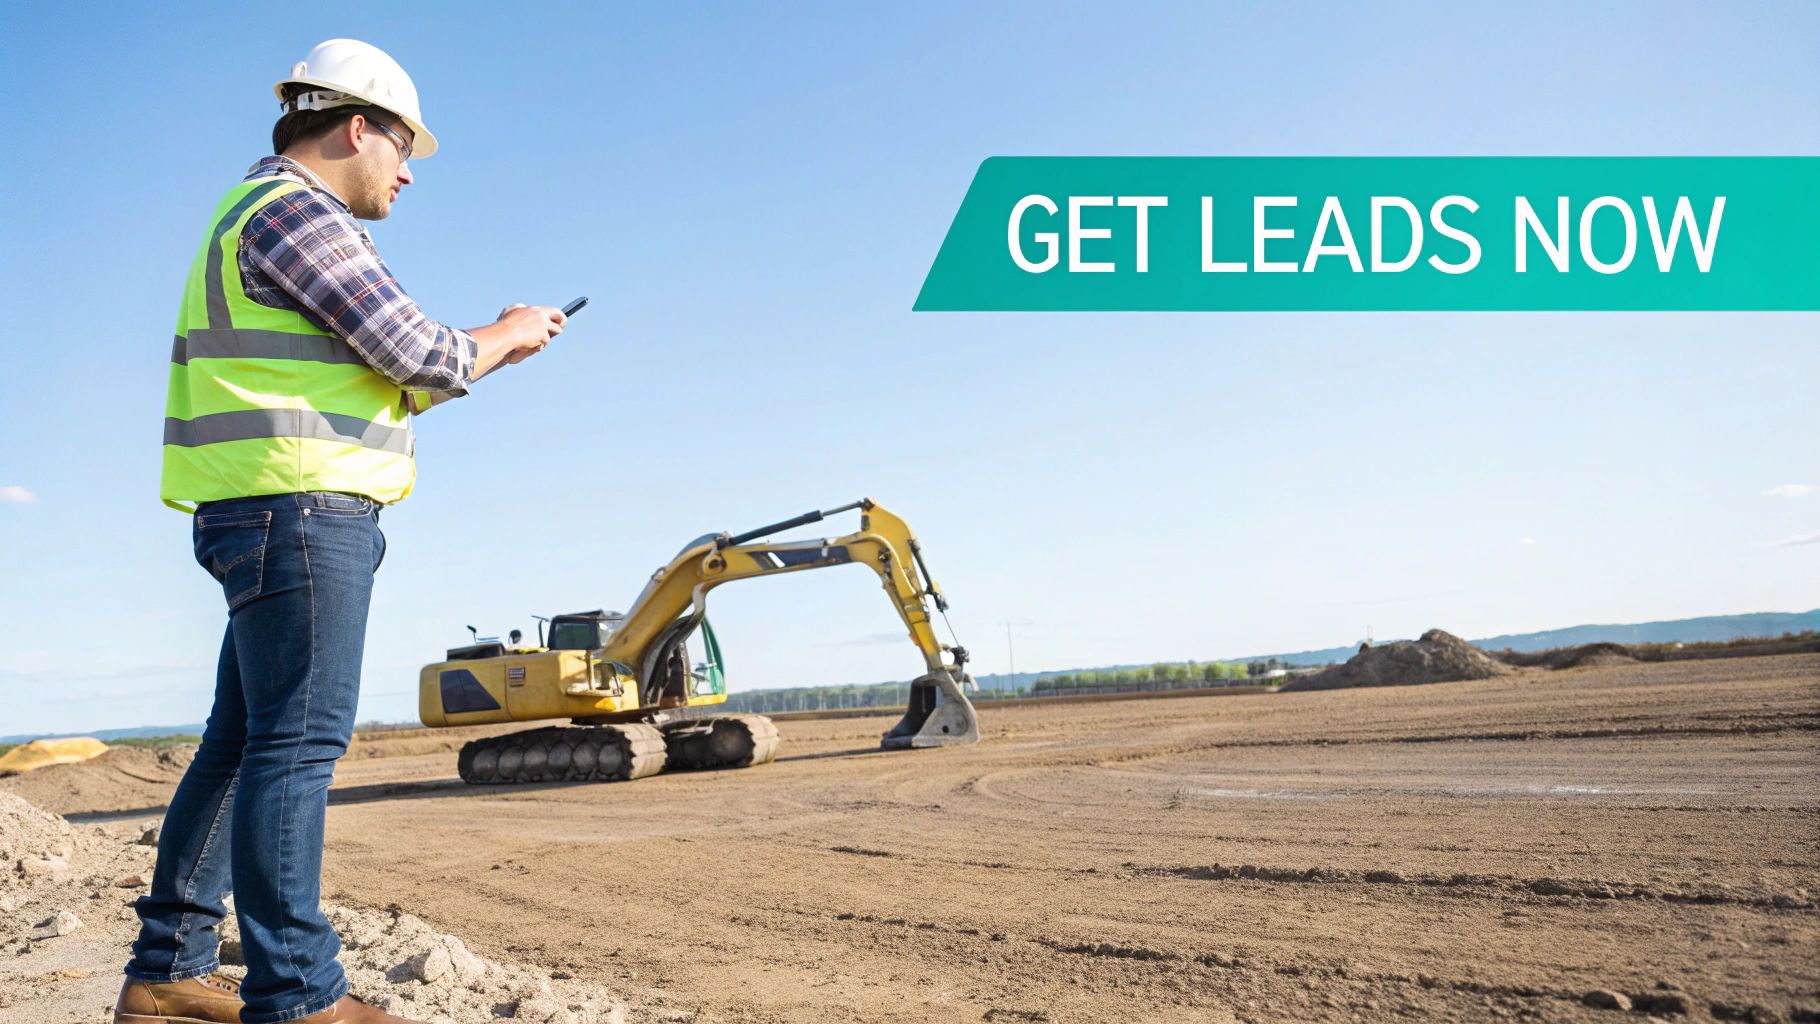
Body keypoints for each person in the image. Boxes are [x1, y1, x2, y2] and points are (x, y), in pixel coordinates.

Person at [119, 39, 564, 1024]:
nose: (407, 173)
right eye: (403, 150)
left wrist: (482, 354)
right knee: (294, 748)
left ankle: (168, 967)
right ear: (357, 128)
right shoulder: (296, 212)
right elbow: (417, 351)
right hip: (302, 511)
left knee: (238, 744)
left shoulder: (253, 214)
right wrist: (504, 332)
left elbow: (385, 381)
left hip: (263, 507)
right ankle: (300, 995)